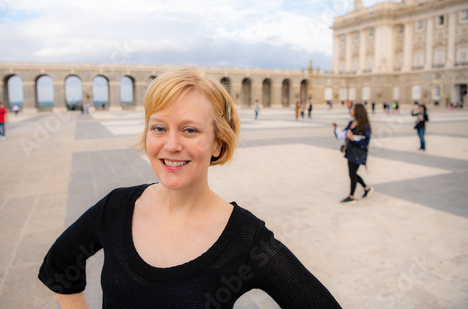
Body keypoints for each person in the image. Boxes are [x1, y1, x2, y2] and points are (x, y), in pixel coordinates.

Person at [38, 66, 341, 308]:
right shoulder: (115, 209)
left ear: (218, 143)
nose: (171, 145)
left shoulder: (246, 240)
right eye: (159, 128)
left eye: (190, 130)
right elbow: (58, 265)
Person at [332, 103, 373, 205]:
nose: (350, 110)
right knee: (352, 173)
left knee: (352, 173)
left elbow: (365, 142)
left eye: (352, 109)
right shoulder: (351, 123)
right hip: (350, 151)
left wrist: (353, 139)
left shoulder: (364, 126)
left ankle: (351, 196)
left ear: (357, 112)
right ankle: (367, 188)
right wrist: (336, 130)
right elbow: (343, 135)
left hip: (358, 153)